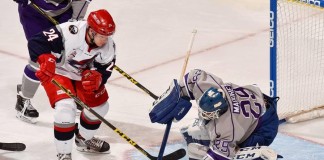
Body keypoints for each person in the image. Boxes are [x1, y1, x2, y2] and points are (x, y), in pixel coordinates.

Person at [27, 9, 116, 159]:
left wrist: (98, 78)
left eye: (107, 36)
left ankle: (83, 140)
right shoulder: (70, 32)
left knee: (101, 107)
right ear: (91, 31)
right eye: (101, 36)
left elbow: (105, 70)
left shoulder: (109, 46)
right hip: (58, 71)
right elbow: (36, 42)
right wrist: (45, 58)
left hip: (81, 75)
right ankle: (64, 154)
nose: (105, 41)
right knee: (65, 108)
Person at [149, 69, 280, 160]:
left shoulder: (228, 127)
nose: (204, 115)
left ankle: (258, 156)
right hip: (256, 101)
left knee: (227, 152)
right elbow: (193, 76)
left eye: (209, 114)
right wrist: (175, 96)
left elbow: (219, 156)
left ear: (219, 112)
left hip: (264, 126)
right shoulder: (207, 87)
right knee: (195, 134)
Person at [13, 0, 91, 123]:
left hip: (64, 11)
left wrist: (75, 20)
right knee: (40, 59)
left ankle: (70, 94)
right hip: (34, 13)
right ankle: (23, 99)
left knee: (69, 51)